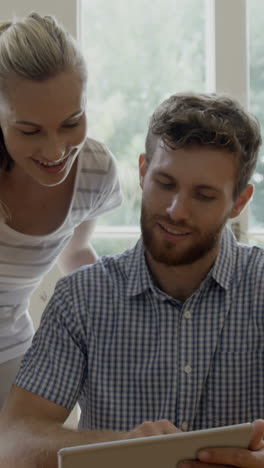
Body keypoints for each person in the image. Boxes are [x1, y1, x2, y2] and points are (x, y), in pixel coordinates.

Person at [1, 92, 264, 468]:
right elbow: (12, 443)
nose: (177, 211)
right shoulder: (82, 298)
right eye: (165, 183)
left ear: (239, 202)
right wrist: (124, 448)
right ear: (142, 172)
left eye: (204, 196)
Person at [0, 12, 122, 408]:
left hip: (12, 348)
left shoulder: (95, 171)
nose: (55, 152)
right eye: (29, 131)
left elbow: (76, 255)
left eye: (72, 122)